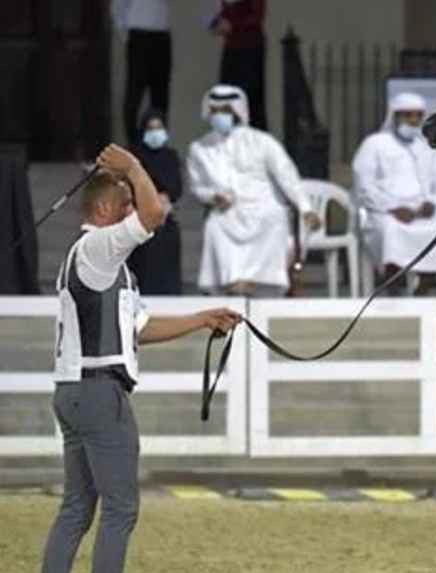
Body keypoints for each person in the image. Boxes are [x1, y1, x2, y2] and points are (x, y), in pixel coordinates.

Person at [41, 144, 241, 573]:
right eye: (125, 204)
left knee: (77, 507)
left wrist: (201, 318)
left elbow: (139, 329)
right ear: (103, 207)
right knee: (121, 509)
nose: (134, 209)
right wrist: (132, 165)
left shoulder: (102, 264)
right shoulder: (97, 250)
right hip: (99, 393)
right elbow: (153, 216)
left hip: (75, 390)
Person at [187, 85, 319, 296]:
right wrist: (212, 197)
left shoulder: (262, 141)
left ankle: (259, 280)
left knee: (273, 218)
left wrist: (305, 208)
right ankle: (232, 279)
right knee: (215, 225)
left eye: (226, 111)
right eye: (216, 110)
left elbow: (287, 176)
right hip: (227, 209)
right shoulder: (200, 148)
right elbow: (197, 187)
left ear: (238, 112)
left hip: (264, 205)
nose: (220, 116)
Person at [351, 92, 436, 295]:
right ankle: (393, 281)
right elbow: (364, 184)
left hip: (423, 210)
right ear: (395, 116)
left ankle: (426, 281)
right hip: (385, 211)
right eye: (408, 115)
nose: (414, 120)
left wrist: (433, 203)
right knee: (391, 229)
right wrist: (392, 208)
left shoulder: (427, 147)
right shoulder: (375, 144)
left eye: (418, 115)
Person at [126, 109, 183, 294]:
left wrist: (165, 197)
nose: (155, 133)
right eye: (150, 128)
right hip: (142, 221)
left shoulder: (171, 156)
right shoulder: (134, 158)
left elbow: (176, 187)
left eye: (159, 128)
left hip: (166, 221)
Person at [112, 0, 172, 143]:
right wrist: (127, 36)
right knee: (134, 93)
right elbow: (117, 7)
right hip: (138, 34)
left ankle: (156, 145)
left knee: (160, 95)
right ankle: (133, 144)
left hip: (162, 34)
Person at [209, 0, 268, 131]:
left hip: (250, 48)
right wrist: (215, 24)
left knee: (249, 100)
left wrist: (233, 25)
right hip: (231, 48)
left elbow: (257, 15)